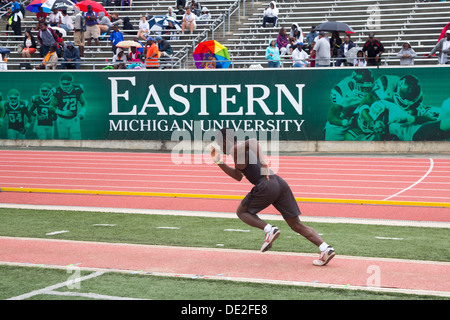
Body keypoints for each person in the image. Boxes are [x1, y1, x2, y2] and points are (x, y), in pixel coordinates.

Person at [210, 128, 336, 266]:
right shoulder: (237, 152)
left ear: (224, 140)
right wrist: (218, 162)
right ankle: (325, 249)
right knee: (296, 224)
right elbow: (238, 176)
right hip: (279, 183)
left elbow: (252, 141)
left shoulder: (235, 149)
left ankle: (269, 230)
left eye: (220, 144)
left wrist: (263, 162)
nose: (220, 148)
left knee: (242, 212)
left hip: (265, 185)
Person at [324, 69, 375, 141]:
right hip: (343, 121)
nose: (365, 90)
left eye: (368, 88)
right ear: (354, 84)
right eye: (363, 88)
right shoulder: (341, 90)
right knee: (333, 145)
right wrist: (344, 122)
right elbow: (331, 116)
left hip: (360, 120)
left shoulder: (374, 89)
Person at [49, 73, 87, 140]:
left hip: (74, 119)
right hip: (62, 119)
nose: (65, 86)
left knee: (76, 139)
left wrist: (82, 112)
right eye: (63, 84)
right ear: (60, 83)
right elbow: (51, 107)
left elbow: (83, 103)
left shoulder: (77, 89)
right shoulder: (58, 91)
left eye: (67, 84)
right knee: (63, 140)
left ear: (72, 82)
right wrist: (61, 112)